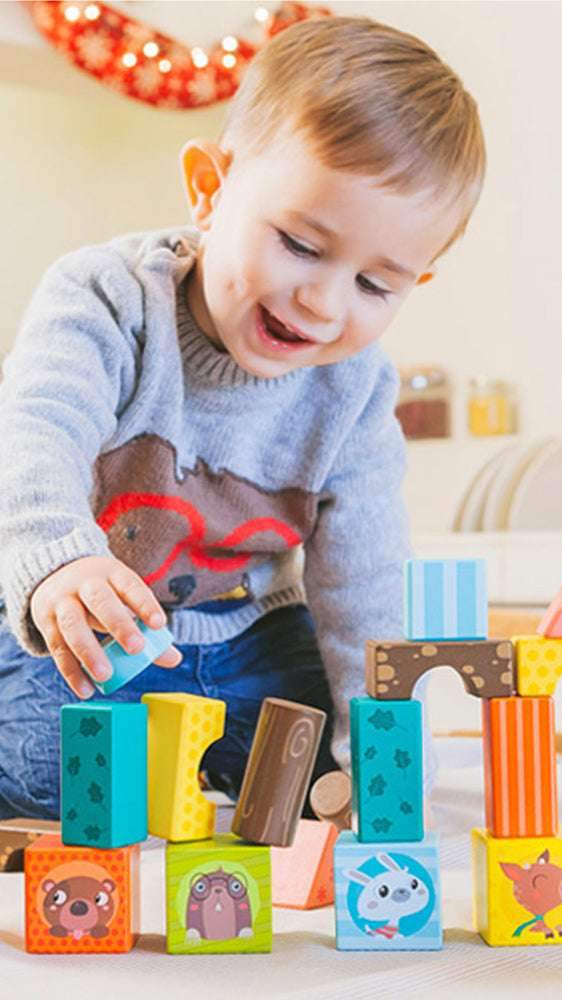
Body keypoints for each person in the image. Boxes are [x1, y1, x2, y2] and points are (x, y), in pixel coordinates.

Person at [0, 15, 486, 820]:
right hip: (93, 629)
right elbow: (35, 430)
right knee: (57, 774)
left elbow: (367, 584)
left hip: (249, 636)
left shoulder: (356, 390)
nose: (322, 302)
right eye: (300, 245)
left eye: (374, 286)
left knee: (323, 771)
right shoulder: (106, 298)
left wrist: (384, 751)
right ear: (210, 188)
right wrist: (58, 560)